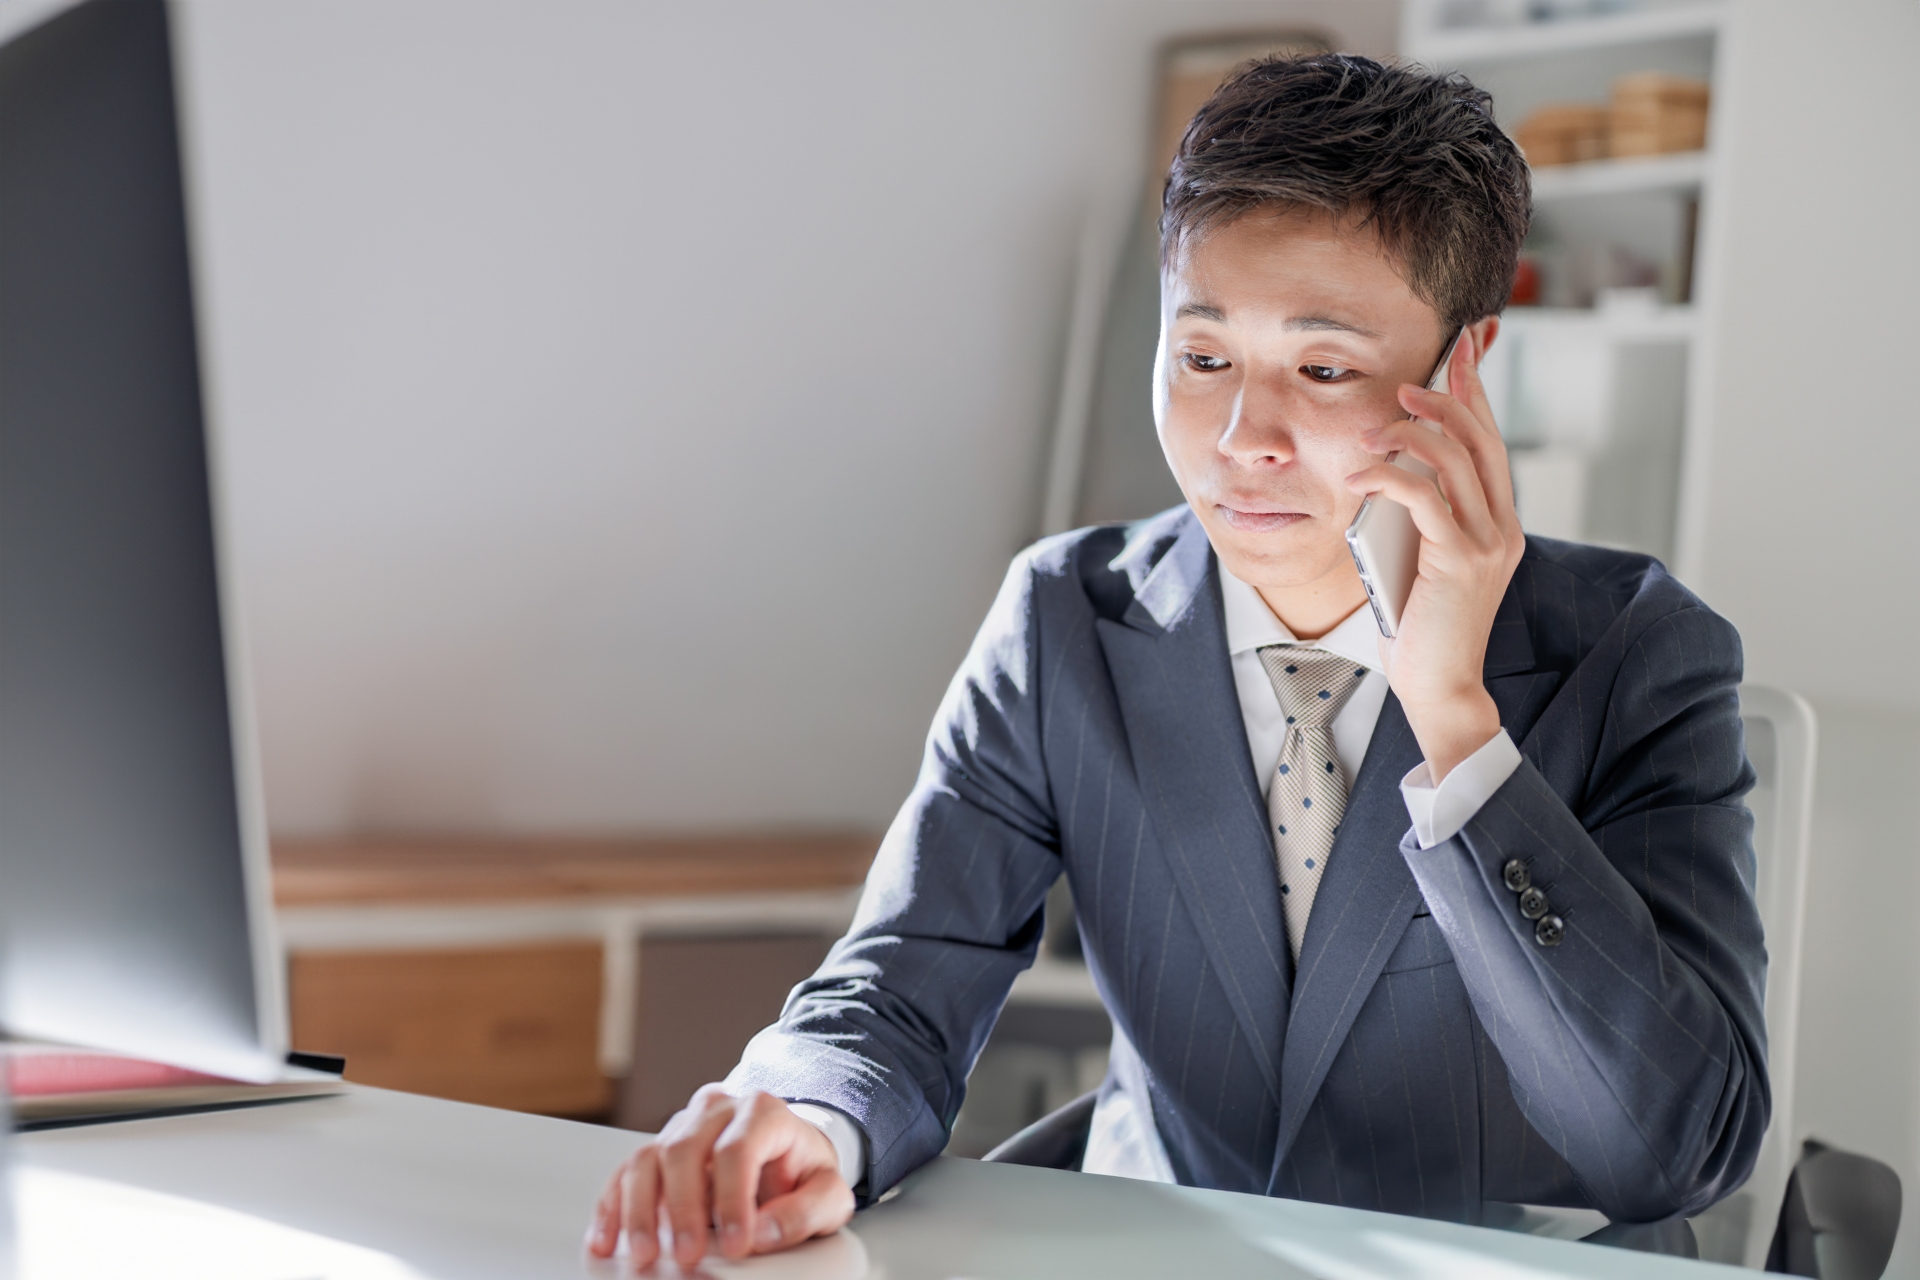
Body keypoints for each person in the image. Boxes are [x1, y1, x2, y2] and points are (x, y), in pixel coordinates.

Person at [587, 53, 1767, 1268]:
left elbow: (1673, 1150)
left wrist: (1455, 723)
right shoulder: (1064, 617)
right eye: (1203, 358)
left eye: (1323, 369)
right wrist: (806, 1114)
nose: (1243, 438)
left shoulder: (1639, 651)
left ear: (1463, 370)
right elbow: (898, 982)